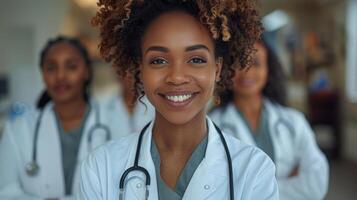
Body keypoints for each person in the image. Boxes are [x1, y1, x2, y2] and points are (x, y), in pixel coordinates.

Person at [78, 0, 279, 199]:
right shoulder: (100, 168)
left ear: (217, 69)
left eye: (196, 60)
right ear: (140, 69)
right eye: (159, 60)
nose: (176, 77)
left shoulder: (255, 171)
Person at [210, 35, 329, 200]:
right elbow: (215, 191)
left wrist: (249, 190)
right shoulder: (211, 127)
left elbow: (316, 184)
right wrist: (289, 183)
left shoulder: (294, 121)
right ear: (225, 70)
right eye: (238, 63)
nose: (247, 71)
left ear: (268, 69)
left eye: (256, 63)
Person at [0, 36, 111, 199]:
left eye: (71, 67)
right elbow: (6, 192)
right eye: (51, 68)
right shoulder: (19, 128)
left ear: (87, 72)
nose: (60, 76)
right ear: (43, 74)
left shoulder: (113, 121)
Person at [99, 73, 155, 139]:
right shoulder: (105, 106)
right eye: (125, 76)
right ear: (119, 78)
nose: (129, 81)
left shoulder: (152, 104)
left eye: (132, 76)